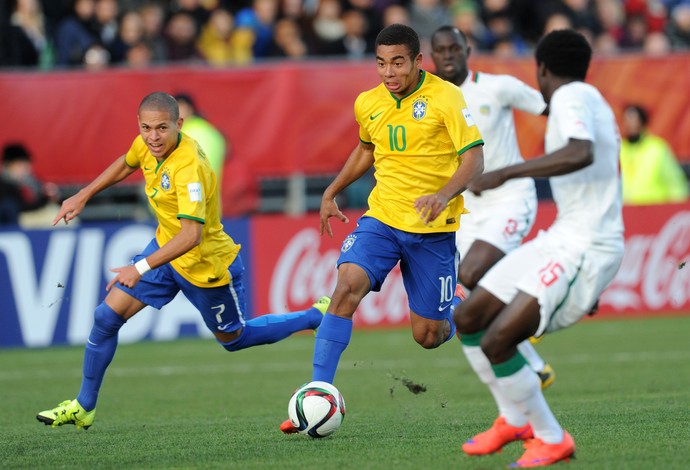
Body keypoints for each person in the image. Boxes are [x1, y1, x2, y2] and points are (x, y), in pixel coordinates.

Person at [36, 92, 329, 430]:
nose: (153, 136)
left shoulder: (189, 167)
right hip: (165, 250)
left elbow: (191, 236)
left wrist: (140, 267)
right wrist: (83, 195)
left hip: (206, 266)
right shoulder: (148, 142)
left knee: (234, 340)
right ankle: (83, 406)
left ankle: (314, 316)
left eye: (161, 128)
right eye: (145, 128)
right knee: (106, 317)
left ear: (179, 124)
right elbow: (127, 161)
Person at [280, 23, 485, 433]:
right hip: (383, 218)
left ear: (417, 62)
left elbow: (474, 159)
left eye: (397, 63)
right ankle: (318, 393)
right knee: (345, 287)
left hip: (432, 228)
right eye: (381, 63)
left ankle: (458, 309)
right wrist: (332, 191)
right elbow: (366, 149)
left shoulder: (446, 97)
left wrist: (443, 195)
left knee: (427, 335)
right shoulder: (368, 103)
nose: (388, 72)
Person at [453, 29, 624, 467]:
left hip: (584, 246)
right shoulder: (587, 98)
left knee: (498, 339)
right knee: (468, 317)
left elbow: (580, 152)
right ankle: (512, 419)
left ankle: (550, 437)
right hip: (565, 238)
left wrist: (505, 173)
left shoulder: (570, 98)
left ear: (542, 70)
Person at [429, 25, 555, 390]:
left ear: (468, 49)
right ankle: (536, 366)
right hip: (467, 208)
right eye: (442, 50)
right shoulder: (432, 100)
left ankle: (535, 303)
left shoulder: (497, 87)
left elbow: (549, 107)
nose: (449, 55)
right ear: (433, 57)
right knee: (477, 290)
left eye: (455, 47)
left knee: (470, 274)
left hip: (510, 196)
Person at [619, 103, 689, 205]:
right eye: (626, 120)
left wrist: (677, 209)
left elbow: (675, 184)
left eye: (633, 120)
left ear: (642, 122)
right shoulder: (619, 149)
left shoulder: (657, 148)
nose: (629, 124)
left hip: (654, 210)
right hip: (626, 211)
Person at [174, 93, 228, 187]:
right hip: (208, 195)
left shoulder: (187, 133)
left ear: (188, 108)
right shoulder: (210, 131)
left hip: (191, 195)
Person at [0, 142, 60, 227]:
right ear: (8, 166)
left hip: (34, 213)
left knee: (62, 214)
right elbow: (22, 207)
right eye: (19, 165)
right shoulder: (4, 183)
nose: (24, 169)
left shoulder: (31, 180)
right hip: (20, 219)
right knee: (60, 219)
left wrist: (50, 195)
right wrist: (45, 198)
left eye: (26, 164)